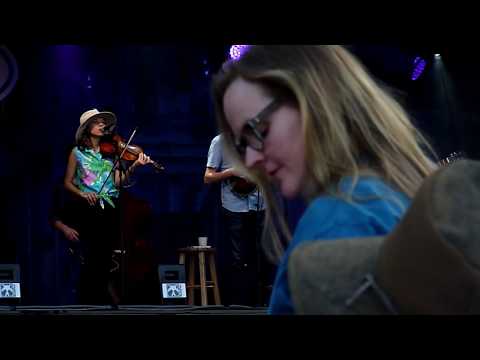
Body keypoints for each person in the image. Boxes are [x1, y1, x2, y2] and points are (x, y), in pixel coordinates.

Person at [211, 45, 438, 314]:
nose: (250, 161)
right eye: (241, 146)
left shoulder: (338, 222)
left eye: (258, 130)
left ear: (314, 100)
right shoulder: (396, 196)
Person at [63, 108, 153, 304]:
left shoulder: (110, 153)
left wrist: (135, 166)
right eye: (98, 122)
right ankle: (86, 300)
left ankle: (101, 302)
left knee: (106, 257)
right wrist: (83, 193)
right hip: (89, 207)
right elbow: (67, 183)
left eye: (104, 122)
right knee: (91, 255)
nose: (103, 125)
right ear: (88, 128)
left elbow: (118, 181)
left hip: (111, 206)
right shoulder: (77, 153)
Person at [204, 133, 273, 306]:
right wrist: (230, 172)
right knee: (239, 257)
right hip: (234, 205)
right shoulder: (219, 141)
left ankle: (263, 302)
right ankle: (241, 303)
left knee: (262, 254)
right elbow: (207, 177)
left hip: (259, 202)